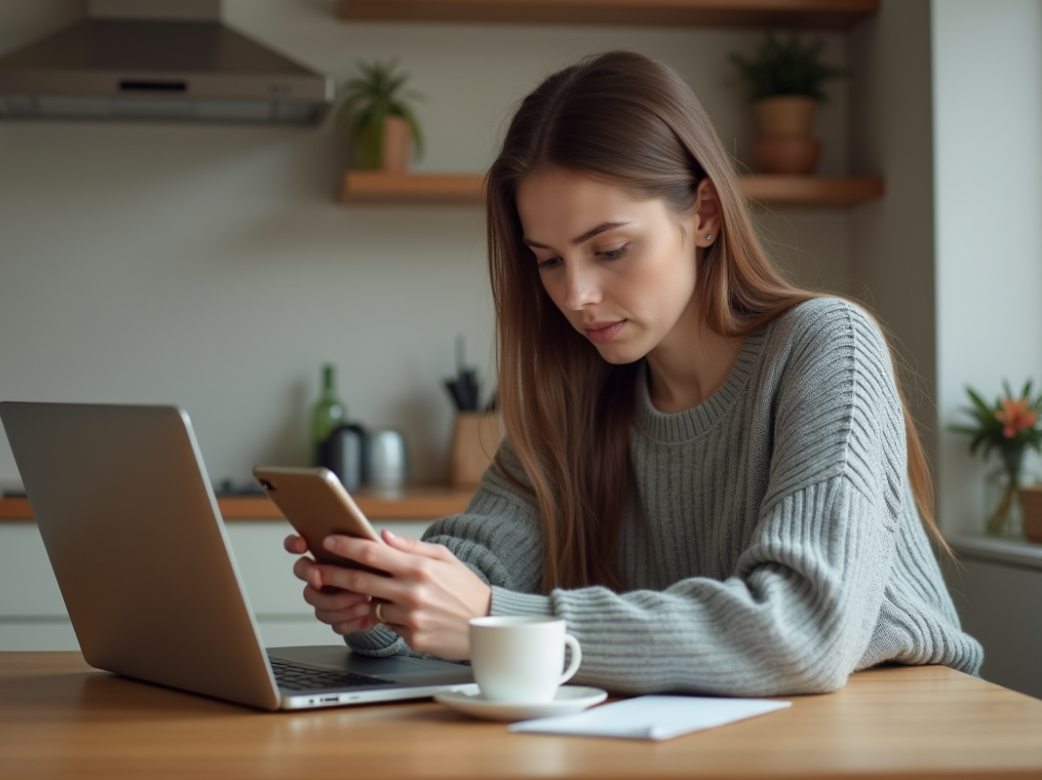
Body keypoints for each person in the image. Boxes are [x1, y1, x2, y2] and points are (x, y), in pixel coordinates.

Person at [283, 51, 983, 696]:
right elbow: (477, 575)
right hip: (715, 729)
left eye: (610, 249)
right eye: (548, 260)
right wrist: (383, 598)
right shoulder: (577, 396)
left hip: (902, 721)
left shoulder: (825, 345)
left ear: (704, 214)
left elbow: (802, 630)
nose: (575, 295)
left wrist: (495, 619)